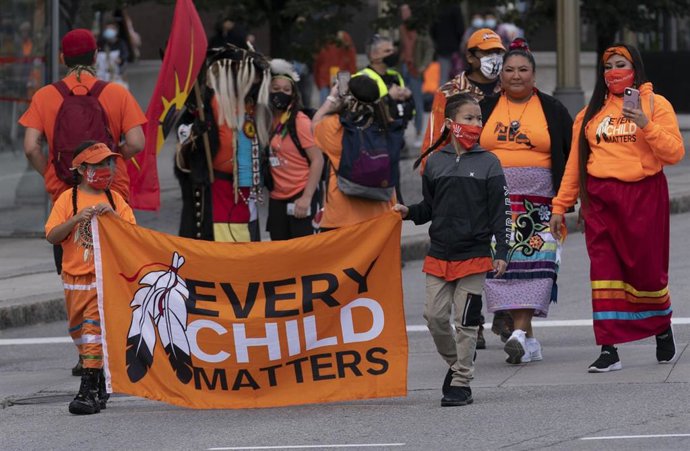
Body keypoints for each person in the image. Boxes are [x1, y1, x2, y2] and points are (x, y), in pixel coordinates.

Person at [550, 44, 685, 373]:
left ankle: (661, 329)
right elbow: (574, 166)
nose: (613, 71)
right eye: (608, 66)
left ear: (634, 68)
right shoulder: (588, 114)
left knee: (647, 272)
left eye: (620, 64)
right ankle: (609, 347)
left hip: (643, 198)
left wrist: (645, 123)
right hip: (599, 201)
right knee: (604, 273)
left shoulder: (656, 104)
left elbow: (675, 153)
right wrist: (560, 206)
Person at [19, 28, 145, 376]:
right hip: (111, 198)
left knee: (75, 278)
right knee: (117, 276)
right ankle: (112, 346)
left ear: (62, 59)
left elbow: (30, 145)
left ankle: (86, 349)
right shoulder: (116, 93)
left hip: (67, 197)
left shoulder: (45, 96)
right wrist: (108, 161)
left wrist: (52, 172)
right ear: (94, 58)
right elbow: (137, 141)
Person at [394, 93, 510, 406]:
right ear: (450, 123)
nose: (475, 124)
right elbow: (430, 207)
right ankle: (456, 364)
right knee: (433, 317)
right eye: (468, 118)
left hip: (475, 255)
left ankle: (461, 383)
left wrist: (502, 252)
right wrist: (410, 212)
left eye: (479, 119)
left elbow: (501, 213)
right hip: (439, 255)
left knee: (467, 322)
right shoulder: (435, 161)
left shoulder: (489, 162)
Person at [479, 40, 573, 364]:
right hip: (496, 201)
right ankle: (529, 340)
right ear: (500, 76)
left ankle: (519, 332)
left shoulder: (553, 109)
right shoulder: (485, 108)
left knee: (538, 265)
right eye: (509, 70)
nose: (516, 75)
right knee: (504, 267)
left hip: (541, 202)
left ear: (534, 74)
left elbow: (571, 156)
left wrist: (566, 202)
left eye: (523, 69)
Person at [420, 28, 507, 347]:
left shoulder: (507, 83)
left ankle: (504, 312)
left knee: (502, 246)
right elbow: (433, 136)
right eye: (486, 53)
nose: (494, 60)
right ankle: (474, 322)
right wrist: (431, 174)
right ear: (470, 56)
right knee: (470, 251)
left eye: (498, 52)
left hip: (497, 174)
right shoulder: (451, 89)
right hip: (459, 179)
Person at [45, 141, 136, 414]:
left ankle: (86, 391)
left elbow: (135, 236)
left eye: (108, 163)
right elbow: (52, 235)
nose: (106, 169)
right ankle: (100, 385)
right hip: (74, 280)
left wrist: (114, 220)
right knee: (78, 333)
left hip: (103, 280)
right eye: (98, 164)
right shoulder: (68, 199)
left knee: (93, 332)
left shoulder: (114, 200)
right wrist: (75, 220)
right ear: (83, 169)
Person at [174, 44, 272, 242]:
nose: (256, 80)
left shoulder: (255, 106)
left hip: (246, 192)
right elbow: (184, 146)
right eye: (251, 73)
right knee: (216, 249)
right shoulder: (209, 104)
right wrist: (196, 133)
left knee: (246, 249)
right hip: (215, 190)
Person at [311, 76, 400, 230]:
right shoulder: (387, 127)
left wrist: (332, 97)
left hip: (341, 216)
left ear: (349, 98)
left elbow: (315, 124)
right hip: (380, 217)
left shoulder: (337, 127)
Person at [265, 59, 324, 240]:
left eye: (286, 90)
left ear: (293, 94)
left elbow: (317, 160)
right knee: (280, 255)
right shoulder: (266, 121)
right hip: (277, 197)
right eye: (275, 89)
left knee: (304, 257)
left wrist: (306, 198)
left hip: (301, 194)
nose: (280, 93)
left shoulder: (300, 121)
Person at [357, 34, 415, 128]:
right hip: (373, 136)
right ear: (373, 55)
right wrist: (388, 97)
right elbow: (362, 113)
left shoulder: (395, 76)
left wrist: (409, 97)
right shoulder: (362, 78)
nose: (392, 54)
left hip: (396, 134)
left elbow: (408, 111)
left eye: (393, 50)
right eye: (387, 51)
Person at [399, 4, 434, 143]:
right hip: (403, 68)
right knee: (400, 102)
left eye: (406, 11)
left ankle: (419, 133)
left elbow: (429, 49)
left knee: (417, 102)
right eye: (402, 12)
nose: (404, 14)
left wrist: (423, 66)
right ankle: (400, 134)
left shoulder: (421, 30)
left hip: (415, 70)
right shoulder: (401, 29)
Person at [313, 31, 357, 105]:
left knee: (334, 106)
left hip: (340, 80)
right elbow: (318, 64)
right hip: (327, 80)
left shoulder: (346, 44)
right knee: (328, 105)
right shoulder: (325, 44)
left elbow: (352, 66)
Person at [430, 3, 465, 84]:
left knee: (443, 78)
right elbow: (460, 29)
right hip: (455, 48)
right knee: (458, 76)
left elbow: (432, 29)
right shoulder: (455, 8)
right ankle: (458, 95)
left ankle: (443, 96)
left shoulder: (436, 8)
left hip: (441, 48)